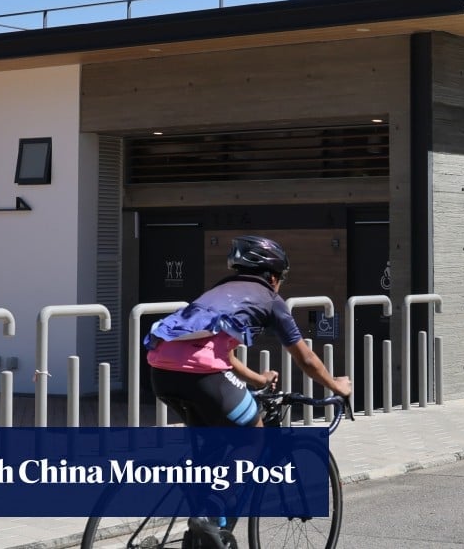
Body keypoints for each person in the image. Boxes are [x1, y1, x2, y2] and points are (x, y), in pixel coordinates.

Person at [145, 235, 351, 548]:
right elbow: (306, 359)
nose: (280, 284)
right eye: (281, 278)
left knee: (212, 449)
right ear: (272, 276)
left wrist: (257, 379)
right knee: (256, 435)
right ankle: (210, 516)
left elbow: (220, 353)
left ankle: (199, 533)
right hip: (202, 376)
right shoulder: (269, 299)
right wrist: (338, 386)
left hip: (161, 372)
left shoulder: (217, 292)